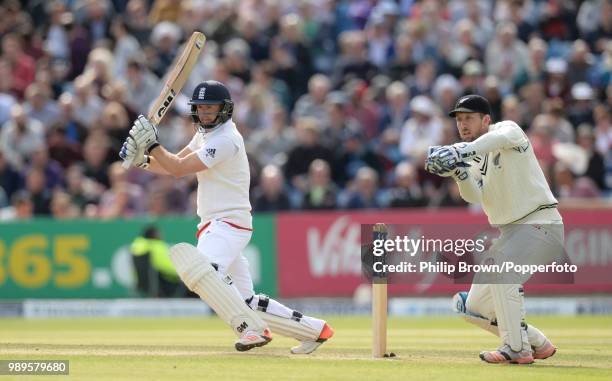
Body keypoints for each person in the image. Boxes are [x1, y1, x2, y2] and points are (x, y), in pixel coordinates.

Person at [119, 80, 333, 353]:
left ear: (225, 110)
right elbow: (171, 163)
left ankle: (252, 329)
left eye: (211, 108)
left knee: (203, 270)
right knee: (246, 301)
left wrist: (151, 145)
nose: (206, 114)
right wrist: (144, 159)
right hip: (214, 223)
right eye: (201, 109)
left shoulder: (226, 139)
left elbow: (179, 169)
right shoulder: (203, 136)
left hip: (228, 222)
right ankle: (315, 330)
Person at [425, 95, 564, 364]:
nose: (463, 125)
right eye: (459, 120)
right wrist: (458, 172)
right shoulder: (474, 158)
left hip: (540, 223)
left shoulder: (508, 131)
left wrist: (457, 152)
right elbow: (474, 196)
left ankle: (516, 348)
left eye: (469, 118)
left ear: (486, 119)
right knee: (471, 308)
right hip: (510, 233)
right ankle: (536, 342)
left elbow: (493, 141)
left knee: (501, 270)